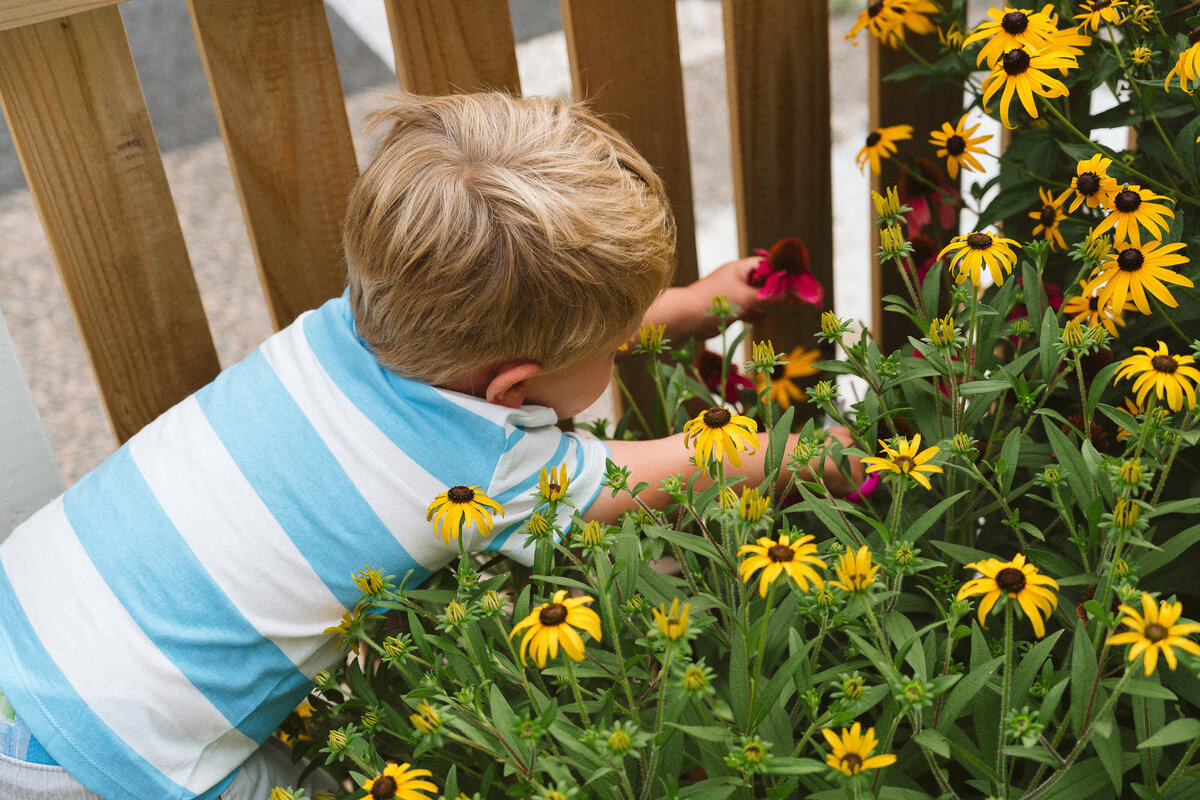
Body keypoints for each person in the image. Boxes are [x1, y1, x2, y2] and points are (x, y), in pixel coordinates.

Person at [0, 92, 856, 800]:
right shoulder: (482, 470)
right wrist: (810, 456)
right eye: (611, 346)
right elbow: (673, 466)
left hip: (24, 616)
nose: (618, 349)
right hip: (104, 756)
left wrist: (691, 303)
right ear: (513, 391)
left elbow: (532, 342)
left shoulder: (358, 319)